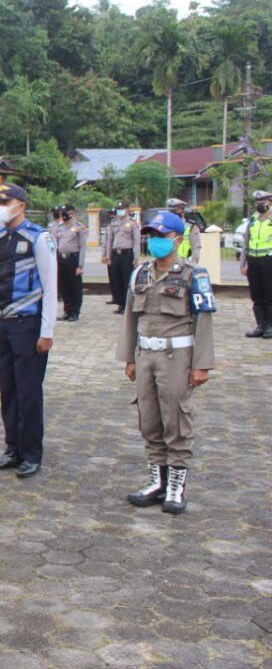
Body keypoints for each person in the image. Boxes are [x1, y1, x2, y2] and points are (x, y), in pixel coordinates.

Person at [115, 211, 215, 514]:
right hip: (146, 356)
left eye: (162, 236)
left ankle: (175, 487)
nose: (155, 241)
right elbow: (130, 318)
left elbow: (204, 321)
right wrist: (129, 358)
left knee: (176, 421)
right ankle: (156, 482)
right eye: (152, 236)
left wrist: (201, 364)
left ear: (178, 240)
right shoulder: (140, 273)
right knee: (149, 420)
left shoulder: (193, 274)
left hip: (177, 357)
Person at [0, 184, 57, 479]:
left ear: (21, 205)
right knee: (8, 390)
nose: (0, 207)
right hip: (3, 323)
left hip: (28, 324)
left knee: (28, 393)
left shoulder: (39, 237)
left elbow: (50, 287)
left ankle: (31, 454)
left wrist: (47, 331)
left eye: (5, 201)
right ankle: (12, 448)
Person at [239, 189, 272, 338]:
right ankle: (261, 325)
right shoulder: (252, 220)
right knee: (256, 294)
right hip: (253, 261)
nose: (259, 204)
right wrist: (243, 264)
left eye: (262, 202)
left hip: (268, 260)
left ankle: (270, 325)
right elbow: (246, 243)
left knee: (269, 294)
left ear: (269, 202)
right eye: (257, 202)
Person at [102, 202, 136, 313]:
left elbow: (136, 241)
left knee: (126, 280)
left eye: (122, 208)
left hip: (127, 254)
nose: (120, 211)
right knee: (117, 280)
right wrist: (108, 256)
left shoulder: (132, 223)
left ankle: (127, 305)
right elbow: (109, 241)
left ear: (127, 209)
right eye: (119, 209)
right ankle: (121, 304)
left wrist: (136, 257)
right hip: (115, 254)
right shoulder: (113, 223)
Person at [55, 205, 88, 322]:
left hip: (73, 259)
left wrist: (80, 265)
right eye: (62, 212)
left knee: (75, 287)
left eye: (66, 212)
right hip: (61, 259)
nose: (63, 214)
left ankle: (75, 312)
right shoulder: (59, 227)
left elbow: (83, 247)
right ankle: (67, 310)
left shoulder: (79, 227)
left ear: (72, 213)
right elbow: (56, 245)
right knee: (64, 287)